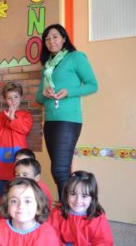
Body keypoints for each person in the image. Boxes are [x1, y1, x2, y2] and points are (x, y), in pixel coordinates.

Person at [36, 24, 98, 198]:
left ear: (64, 38)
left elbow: (93, 85)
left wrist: (69, 92)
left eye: (55, 36)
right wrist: (45, 94)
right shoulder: (47, 66)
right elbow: (38, 98)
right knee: (58, 169)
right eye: (47, 38)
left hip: (68, 120)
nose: (51, 41)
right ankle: (68, 209)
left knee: (60, 169)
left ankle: (70, 212)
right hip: (50, 121)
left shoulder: (75, 57)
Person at [0, 178, 61, 245]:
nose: (20, 206)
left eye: (27, 201)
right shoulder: (1, 229)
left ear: (38, 207)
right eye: (14, 201)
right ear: (7, 205)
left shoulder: (47, 234)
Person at [48, 171, 113, 245]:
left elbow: (103, 242)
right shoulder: (58, 212)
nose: (78, 201)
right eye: (73, 194)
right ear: (66, 194)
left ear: (92, 198)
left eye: (84, 196)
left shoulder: (98, 217)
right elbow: (50, 236)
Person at [0, 82, 33, 195]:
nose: (13, 100)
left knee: (17, 179)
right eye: (9, 98)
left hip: (18, 152)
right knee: (1, 185)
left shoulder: (26, 115)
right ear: (5, 99)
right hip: (1, 152)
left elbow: (25, 129)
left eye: (16, 97)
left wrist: (12, 118)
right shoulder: (0, 116)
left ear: (21, 97)